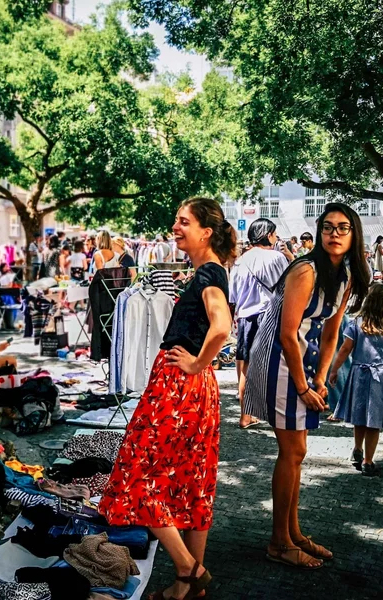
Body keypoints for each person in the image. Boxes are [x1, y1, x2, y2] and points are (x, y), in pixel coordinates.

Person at [99, 197, 235, 600]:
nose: (175, 227)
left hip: (179, 384)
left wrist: (194, 364)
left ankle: (188, 568)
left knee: (136, 475)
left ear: (206, 231)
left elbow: (222, 326)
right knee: (192, 481)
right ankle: (185, 589)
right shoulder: (208, 272)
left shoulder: (209, 273)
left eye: (183, 222)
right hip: (194, 387)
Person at [243, 203, 370, 569]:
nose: (334, 233)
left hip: (304, 361)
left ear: (353, 234)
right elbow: (285, 334)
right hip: (277, 361)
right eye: (328, 227)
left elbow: (332, 331)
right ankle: (279, 541)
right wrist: (302, 386)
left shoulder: (345, 275)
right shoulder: (305, 269)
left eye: (343, 228)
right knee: (292, 451)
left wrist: (321, 377)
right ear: (319, 232)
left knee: (296, 453)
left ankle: (293, 532)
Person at [329, 284, 383, 475]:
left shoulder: (356, 324)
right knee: (374, 420)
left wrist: (334, 370)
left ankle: (357, 449)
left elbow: (344, 349)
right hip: (381, 378)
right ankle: (368, 460)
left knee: (359, 416)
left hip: (359, 374)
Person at [229, 218, 289, 429]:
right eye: (274, 233)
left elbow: (232, 296)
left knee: (245, 367)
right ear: (268, 234)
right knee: (274, 366)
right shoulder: (277, 257)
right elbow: (287, 288)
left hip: (245, 317)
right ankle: (275, 413)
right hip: (269, 316)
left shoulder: (240, 260)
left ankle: (245, 415)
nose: (275, 237)